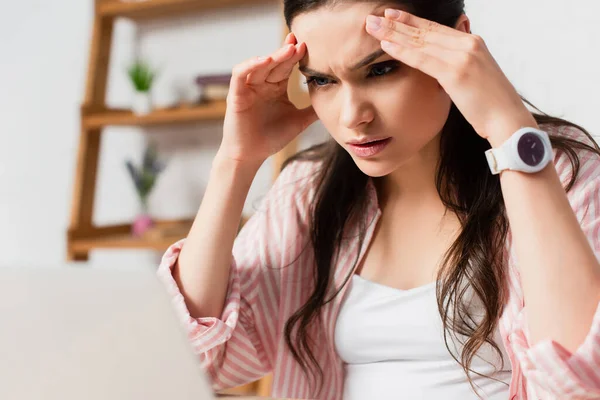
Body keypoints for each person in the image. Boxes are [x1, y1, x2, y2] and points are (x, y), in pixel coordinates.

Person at [157, 1, 600, 399]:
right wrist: (235, 161)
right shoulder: (307, 192)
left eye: (381, 70)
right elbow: (195, 364)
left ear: (459, 42)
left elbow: (580, 384)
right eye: (322, 81)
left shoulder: (560, 174)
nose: (353, 116)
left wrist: (508, 127)